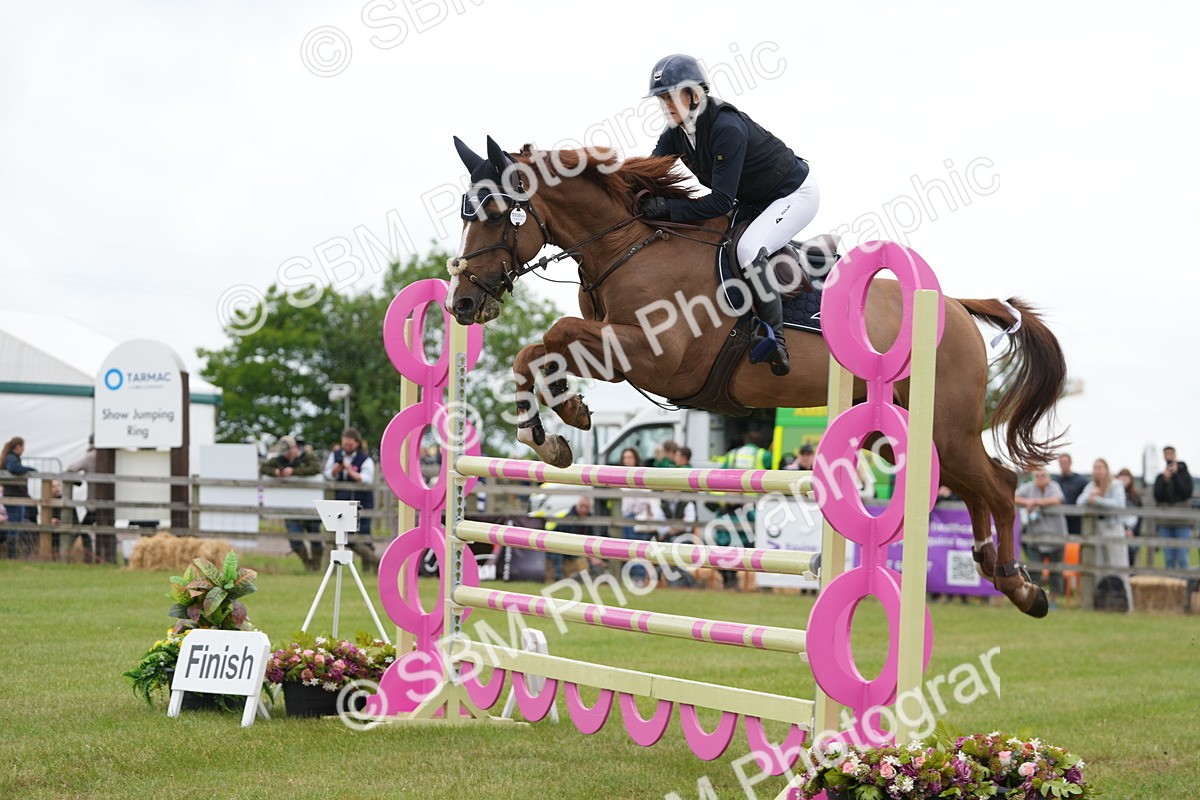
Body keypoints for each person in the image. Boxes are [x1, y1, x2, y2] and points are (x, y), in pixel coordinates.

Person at [640, 54, 818, 377]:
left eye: (669, 95)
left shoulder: (726, 128)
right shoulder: (676, 133)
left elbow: (721, 202)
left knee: (748, 248)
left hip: (793, 194)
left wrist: (667, 208)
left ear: (694, 94)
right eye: (661, 98)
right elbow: (649, 171)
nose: (664, 104)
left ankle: (775, 339)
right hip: (754, 198)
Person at [261, 434, 323, 570]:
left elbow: (316, 469)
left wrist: (294, 471)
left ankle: (317, 567)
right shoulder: (280, 459)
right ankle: (308, 564)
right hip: (291, 505)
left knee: (315, 538)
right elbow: (264, 468)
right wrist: (276, 472)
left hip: (310, 506)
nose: (286, 455)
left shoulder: (307, 457)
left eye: (288, 452)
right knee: (294, 539)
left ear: (295, 448)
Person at [1079, 458, 1132, 611]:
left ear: (1106, 469)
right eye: (1094, 467)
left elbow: (1120, 505)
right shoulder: (1092, 485)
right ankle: (1099, 603)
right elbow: (1079, 501)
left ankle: (1126, 605)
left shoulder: (1116, 485)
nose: (1096, 470)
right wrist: (1090, 496)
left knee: (1119, 566)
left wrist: (1098, 500)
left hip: (1113, 528)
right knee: (1098, 566)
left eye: (1099, 467)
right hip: (1097, 529)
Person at [324, 427, 376, 562]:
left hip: (362, 501)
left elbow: (366, 479)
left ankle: (371, 564)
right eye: (345, 444)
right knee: (344, 536)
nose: (347, 447)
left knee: (365, 535)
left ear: (357, 444)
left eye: (350, 444)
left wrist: (350, 471)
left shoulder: (365, 459)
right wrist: (337, 469)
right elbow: (328, 475)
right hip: (342, 501)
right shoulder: (335, 455)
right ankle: (373, 560)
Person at [1014, 466, 1067, 596]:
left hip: (1056, 537)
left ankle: (1054, 599)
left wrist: (1036, 502)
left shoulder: (1054, 486)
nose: (1040, 478)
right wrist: (1027, 502)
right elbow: (1012, 496)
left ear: (1048, 477)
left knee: (1055, 571)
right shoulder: (1028, 487)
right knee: (1034, 571)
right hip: (1035, 538)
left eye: (1043, 475)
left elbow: (1057, 499)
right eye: (1037, 475)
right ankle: (1035, 597)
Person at [620, 447, 665, 588]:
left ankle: (640, 577)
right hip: (627, 516)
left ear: (635, 459)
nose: (627, 460)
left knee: (639, 549)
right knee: (628, 549)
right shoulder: (619, 474)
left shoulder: (641, 474)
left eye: (630, 457)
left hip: (640, 516)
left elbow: (646, 495)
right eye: (625, 458)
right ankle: (633, 576)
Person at [1153, 446, 1194, 571]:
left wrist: (1176, 476)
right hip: (1165, 522)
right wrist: (1164, 480)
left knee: (1183, 559)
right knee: (1169, 560)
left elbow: (1186, 492)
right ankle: (1170, 588)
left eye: (1171, 453)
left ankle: (1185, 588)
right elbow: (1158, 496)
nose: (1169, 456)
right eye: (1166, 454)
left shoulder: (1184, 474)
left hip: (1182, 522)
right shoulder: (1160, 477)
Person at [2, 437, 37, 559]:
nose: (23, 449)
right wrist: (30, 470)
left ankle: (13, 553)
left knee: (16, 523)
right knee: (14, 524)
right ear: (17, 446)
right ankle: (12, 554)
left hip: (14, 495)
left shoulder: (10, 457)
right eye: (22, 446)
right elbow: (13, 468)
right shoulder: (12, 458)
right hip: (14, 496)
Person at [549, 494, 596, 581]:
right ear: (577, 506)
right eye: (582, 506)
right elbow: (567, 538)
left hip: (579, 549)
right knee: (557, 552)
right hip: (562, 545)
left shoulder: (591, 519)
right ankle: (558, 577)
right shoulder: (569, 517)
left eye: (586, 507)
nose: (584, 510)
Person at [1053, 453, 1088, 535]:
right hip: (1059, 520)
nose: (1064, 465)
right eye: (1061, 463)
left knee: (1074, 544)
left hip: (1076, 521)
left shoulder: (1080, 481)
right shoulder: (1055, 482)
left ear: (1070, 463)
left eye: (1065, 462)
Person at [1115, 468, 1143, 567]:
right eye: (1121, 476)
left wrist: (1134, 531)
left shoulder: (1135, 497)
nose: (1124, 479)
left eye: (1126, 477)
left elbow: (1140, 517)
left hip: (1131, 533)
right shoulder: (1113, 496)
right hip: (1117, 530)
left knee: (1130, 560)